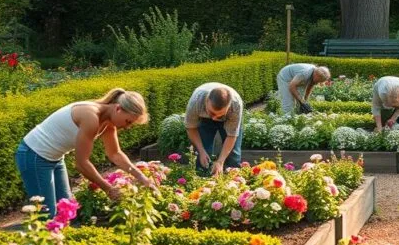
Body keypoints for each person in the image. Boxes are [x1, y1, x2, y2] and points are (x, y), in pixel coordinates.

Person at [16, 88, 154, 217]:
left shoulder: (108, 123)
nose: (128, 127)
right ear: (118, 108)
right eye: (128, 121)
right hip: (33, 155)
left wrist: (141, 177)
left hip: (55, 158)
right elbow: (81, 164)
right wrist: (108, 188)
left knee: (66, 210)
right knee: (47, 215)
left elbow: (115, 154)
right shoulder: (90, 116)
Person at [185, 82, 244, 176]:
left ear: (228, 107)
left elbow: (231, 136)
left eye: (219, 115)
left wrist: (220, 161)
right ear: (207, 101)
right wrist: (201, 150)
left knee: (233, 156)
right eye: (212, 113)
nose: (214, 118)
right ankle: (202, 183)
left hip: (228, 119)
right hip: (204, 118)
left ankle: (234, 183)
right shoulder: (196, 101)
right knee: (202, 157)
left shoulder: (235, 105)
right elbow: (191, 128)